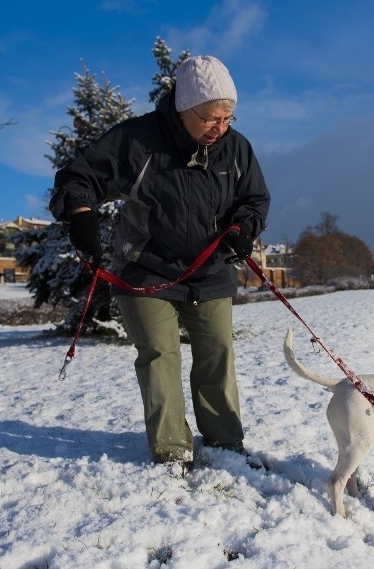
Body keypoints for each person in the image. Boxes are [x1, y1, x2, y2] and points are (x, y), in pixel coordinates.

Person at [49, 55, 270, 469]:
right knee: (160, 354)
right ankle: (172, 451)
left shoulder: (235, 148)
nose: (220, 127)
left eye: (228, 117)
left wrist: (243, 229)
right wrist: (81, 213)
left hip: (210, 270)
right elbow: (79, 176)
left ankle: (225, 445)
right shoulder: (138, 140)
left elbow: (254, 200)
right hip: (144, 269)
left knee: (217, 354)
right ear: (184, 108)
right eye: (210, 117)